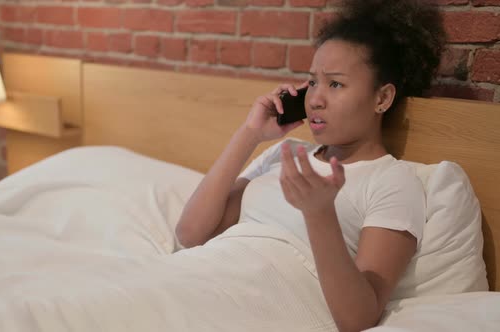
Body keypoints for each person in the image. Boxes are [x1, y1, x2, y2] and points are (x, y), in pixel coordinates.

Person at [175, 0, 446, 331]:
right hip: (199, 277)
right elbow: (190, 234)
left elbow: (358, 317)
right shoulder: (287, 152)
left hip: (259, 304)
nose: (315, 98)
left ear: (382, 99)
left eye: (335, 84)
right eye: (312, 81)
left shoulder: (393, 180)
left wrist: (319, 213)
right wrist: (251, 134)